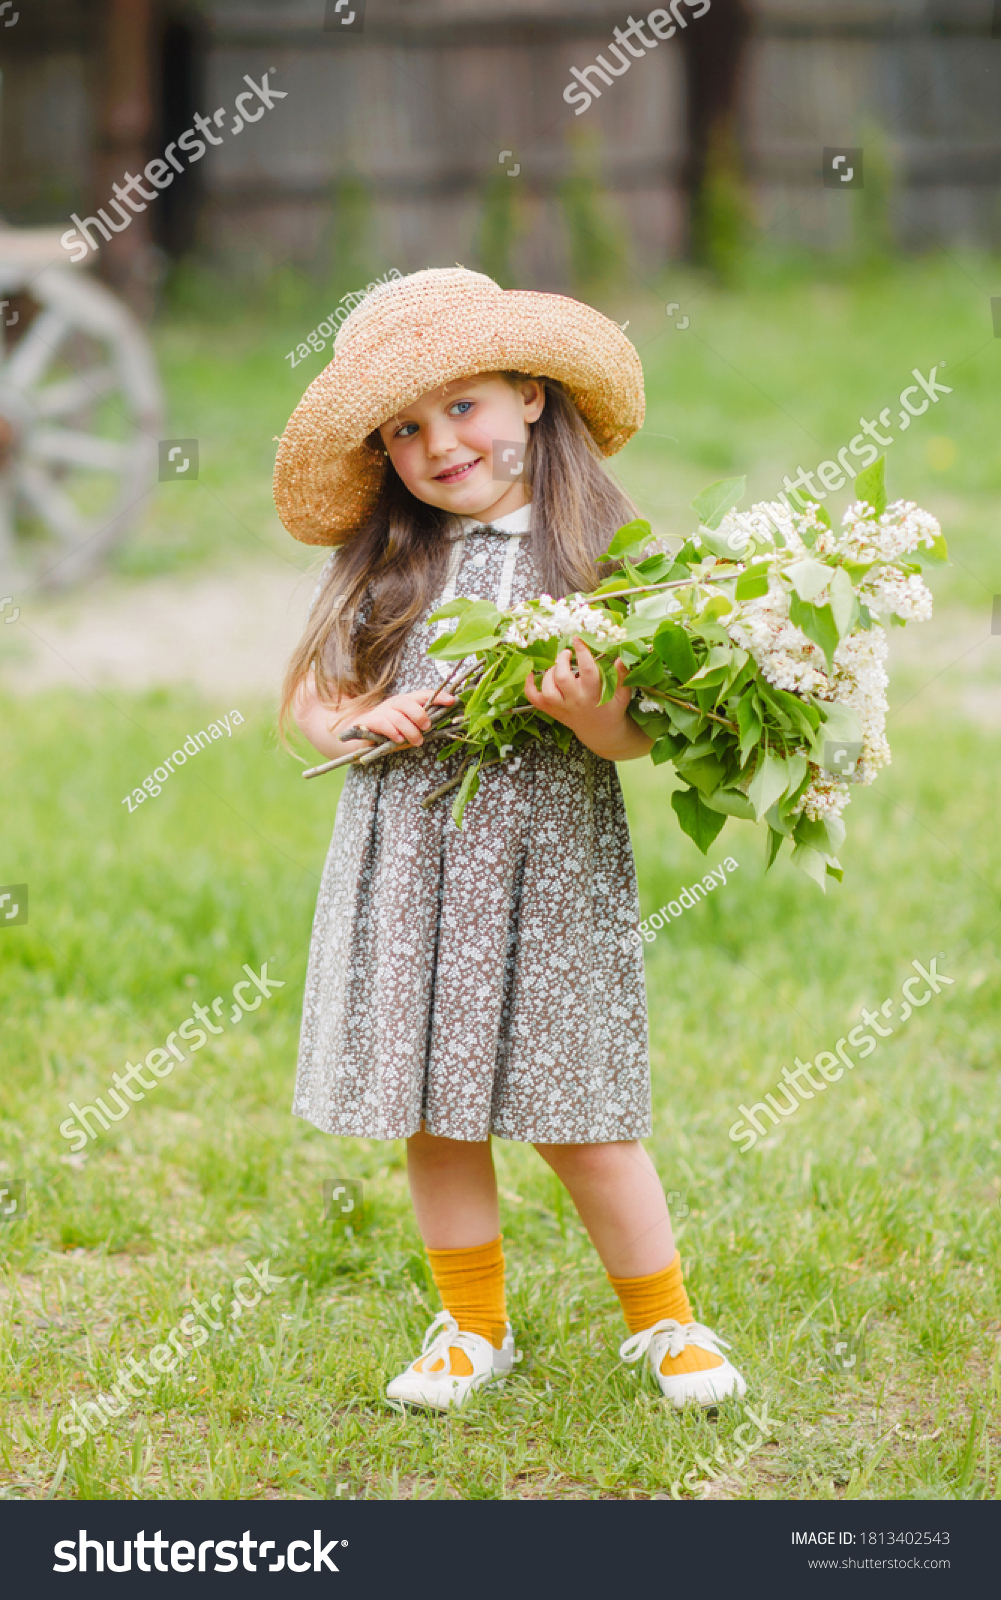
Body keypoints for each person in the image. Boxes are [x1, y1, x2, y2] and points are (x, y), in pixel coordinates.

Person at [274, 267, 745, 1412]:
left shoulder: (602, 546)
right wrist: (358, 719)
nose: (441, 444)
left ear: (531, 394)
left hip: (547, 870)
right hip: (414, 867)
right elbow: (306, 699)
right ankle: (470, 1325)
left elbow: (634, 735)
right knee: (435, 1109)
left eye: (463, 405)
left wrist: (587, 712)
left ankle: (665, 1322)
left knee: (578, 1110)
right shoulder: (390, 559)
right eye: (406, 427)